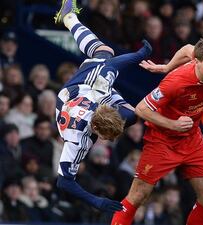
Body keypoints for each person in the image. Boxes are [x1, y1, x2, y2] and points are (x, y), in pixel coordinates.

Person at [52, 0, 152, 213]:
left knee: (104, 53)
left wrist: (139, 55)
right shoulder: (80, 140)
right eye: (107, 137)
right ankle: (69, 17)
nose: (107, 141)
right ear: (96, 129)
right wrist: (96, 200)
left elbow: (113, 65)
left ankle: (69, 17)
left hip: (74, 95)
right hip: (80, 100)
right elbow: (64, 182)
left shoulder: (78, 138)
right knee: (132, 114)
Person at [111, 39, 203, 225]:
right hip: (162, 140)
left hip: (192, 139)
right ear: (197, 62)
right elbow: (141, 109)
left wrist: (167, 66)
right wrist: (173, 125)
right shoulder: (176, 83)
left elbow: (188, 48)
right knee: (138, 196)